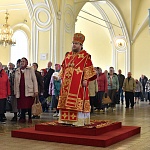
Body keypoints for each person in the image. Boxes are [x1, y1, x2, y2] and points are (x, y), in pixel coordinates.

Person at [57, 33, 96, 126]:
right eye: (73, 43)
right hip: (66, 85)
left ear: (81, 45)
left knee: (76, 100)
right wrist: (61, 77)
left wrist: (86, 79)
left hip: (78, 84)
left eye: (76, 43)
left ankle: (78, 121)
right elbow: (63, 68)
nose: (74, 45)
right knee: (65, 101)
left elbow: (88, 69)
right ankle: (65, 120)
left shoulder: (85, 56)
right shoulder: (68, 56)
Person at [14, 57, 38, 123]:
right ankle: (22, 117)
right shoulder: (17, 70)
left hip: (28, 89)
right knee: (22, 104)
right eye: (21, 61)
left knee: (28, 104)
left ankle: (30, 117)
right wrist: (15, 91)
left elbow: (34, 80)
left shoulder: (30, 69)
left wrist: (36, 90)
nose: (22, 62)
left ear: (26, 62)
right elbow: (15, 82)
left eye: (23, 61)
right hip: (20, 91)